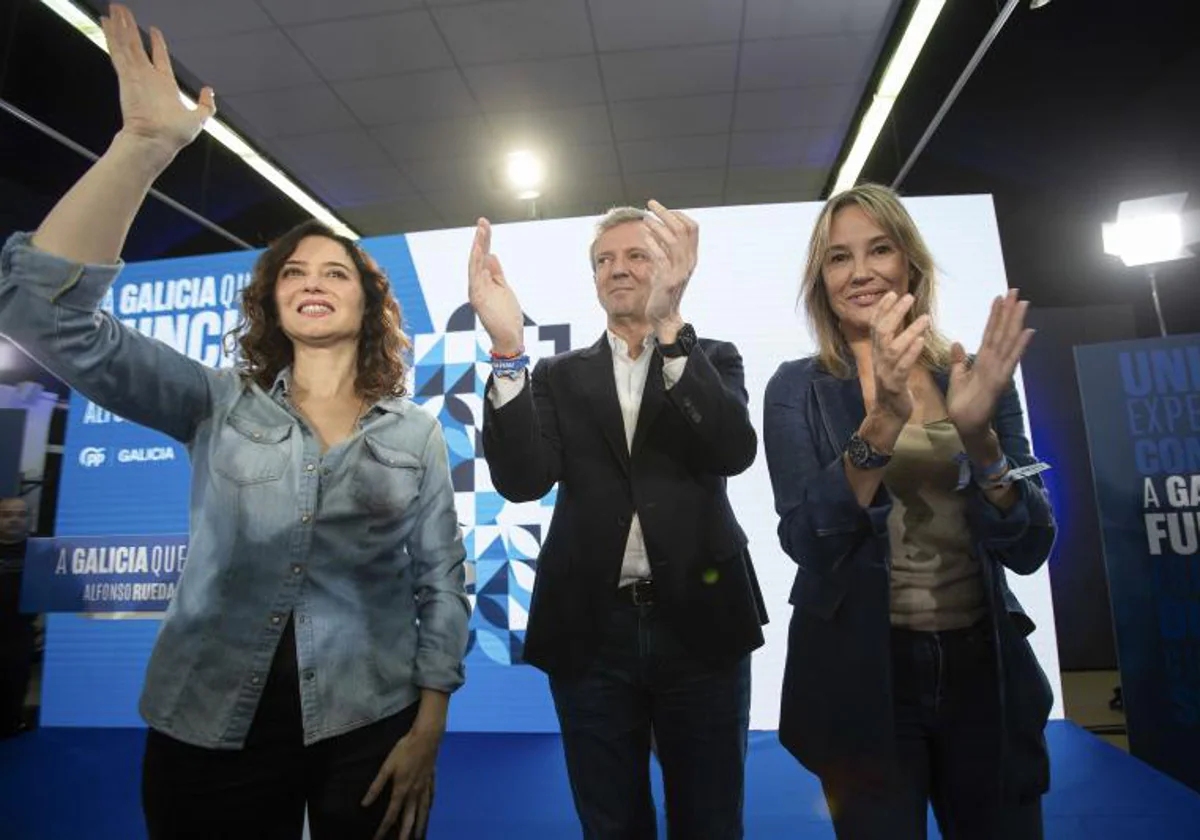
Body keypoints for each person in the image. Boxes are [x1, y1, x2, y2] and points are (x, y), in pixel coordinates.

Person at [0, 6, 469, 839]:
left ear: (367, 304)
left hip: (372, 719)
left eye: (338, 271)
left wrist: (428, 724)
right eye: (295, 270)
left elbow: (440, 583)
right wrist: (142, 146)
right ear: (274, 299)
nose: (315, 279)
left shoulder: (415, 434)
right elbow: (44, 315)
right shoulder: (212, 402)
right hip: (208, 716)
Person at [763, 183, 1056, 839]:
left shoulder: (970, 375)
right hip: (863, 677)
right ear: (822, 279)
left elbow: (1030, 544)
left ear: (911, 266)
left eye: (879, 249)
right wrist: (882, 424)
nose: (861, 271)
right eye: (839, 258)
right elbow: (809, 540)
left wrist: (981, 441)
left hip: (986, 672)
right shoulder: (796, 390)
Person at [468, 203, 767, 839]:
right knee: (609, 822)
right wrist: (506, 348)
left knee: (711, 819)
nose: (618, 269)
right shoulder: (553, 375)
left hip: (702, 625)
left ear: (670, 267)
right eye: (605, 260)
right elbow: (521, 482)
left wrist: (669, 328)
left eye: (636, 256)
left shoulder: (712, 356)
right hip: (589, 632)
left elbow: (732, 451)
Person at [0, 495, 34, 737]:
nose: (14, 520)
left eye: (21, 515)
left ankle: (11, 724)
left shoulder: (42, 552)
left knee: (16, 680)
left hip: (20, 630)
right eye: (7, 515)